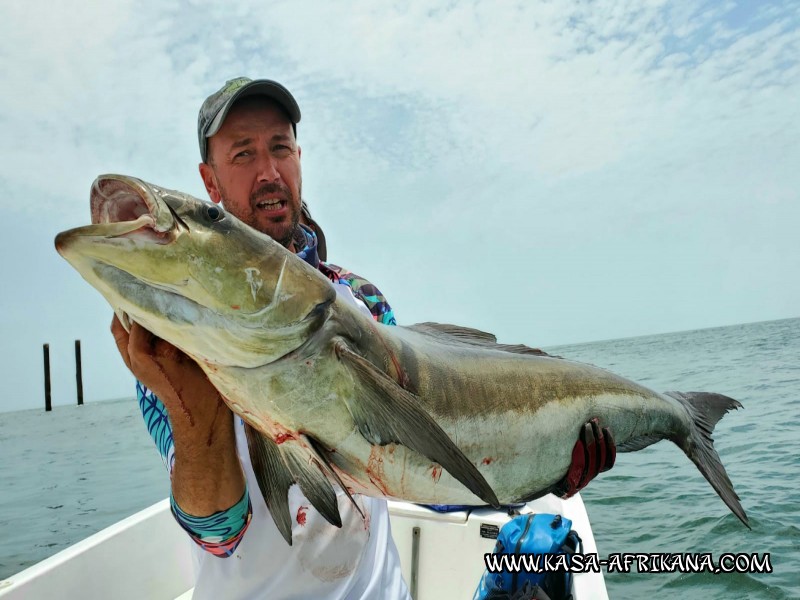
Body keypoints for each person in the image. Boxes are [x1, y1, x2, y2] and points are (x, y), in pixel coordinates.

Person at [111, 77, 615, 599]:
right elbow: (218, 535)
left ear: (299, 158)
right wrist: (193, 414)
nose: (268, 172)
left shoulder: (360, 301)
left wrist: (542, 471)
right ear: (209, 182)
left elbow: (418, 466)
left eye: (280, 148)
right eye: (242, 154)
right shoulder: (171, 340)